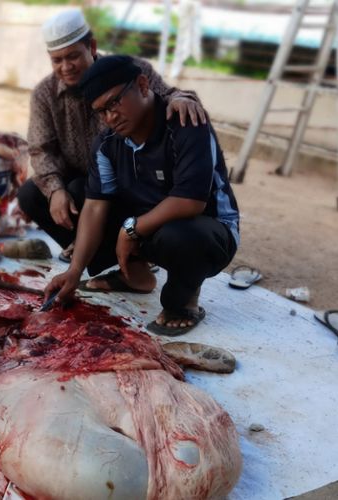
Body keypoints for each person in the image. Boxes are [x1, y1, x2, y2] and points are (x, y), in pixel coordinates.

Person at [44, 55, 240, 336]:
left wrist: (130, 230)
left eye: (114, 102)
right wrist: (74, 271)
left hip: (207, 231)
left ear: (143, 85)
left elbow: (191, 201)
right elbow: (96, 207)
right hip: (149, 227)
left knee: (181, 234)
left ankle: (182, 301)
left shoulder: (185, 122)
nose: (110, 117)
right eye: (101, 111)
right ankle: (135, 275)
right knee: (78, 197)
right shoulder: (108, 143)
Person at [18, 9, 206, 263]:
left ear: (92, 46)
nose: (66, 67)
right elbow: (41, 149)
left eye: (73, 56)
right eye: (57, 60)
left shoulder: (130, 70)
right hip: (86, 181)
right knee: (33, 193)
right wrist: (54, 191)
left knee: (82, 189)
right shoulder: (44, 94)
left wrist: (182, 98)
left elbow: (167, 95)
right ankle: (95, 254)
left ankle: (129, 255)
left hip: (134, 180)